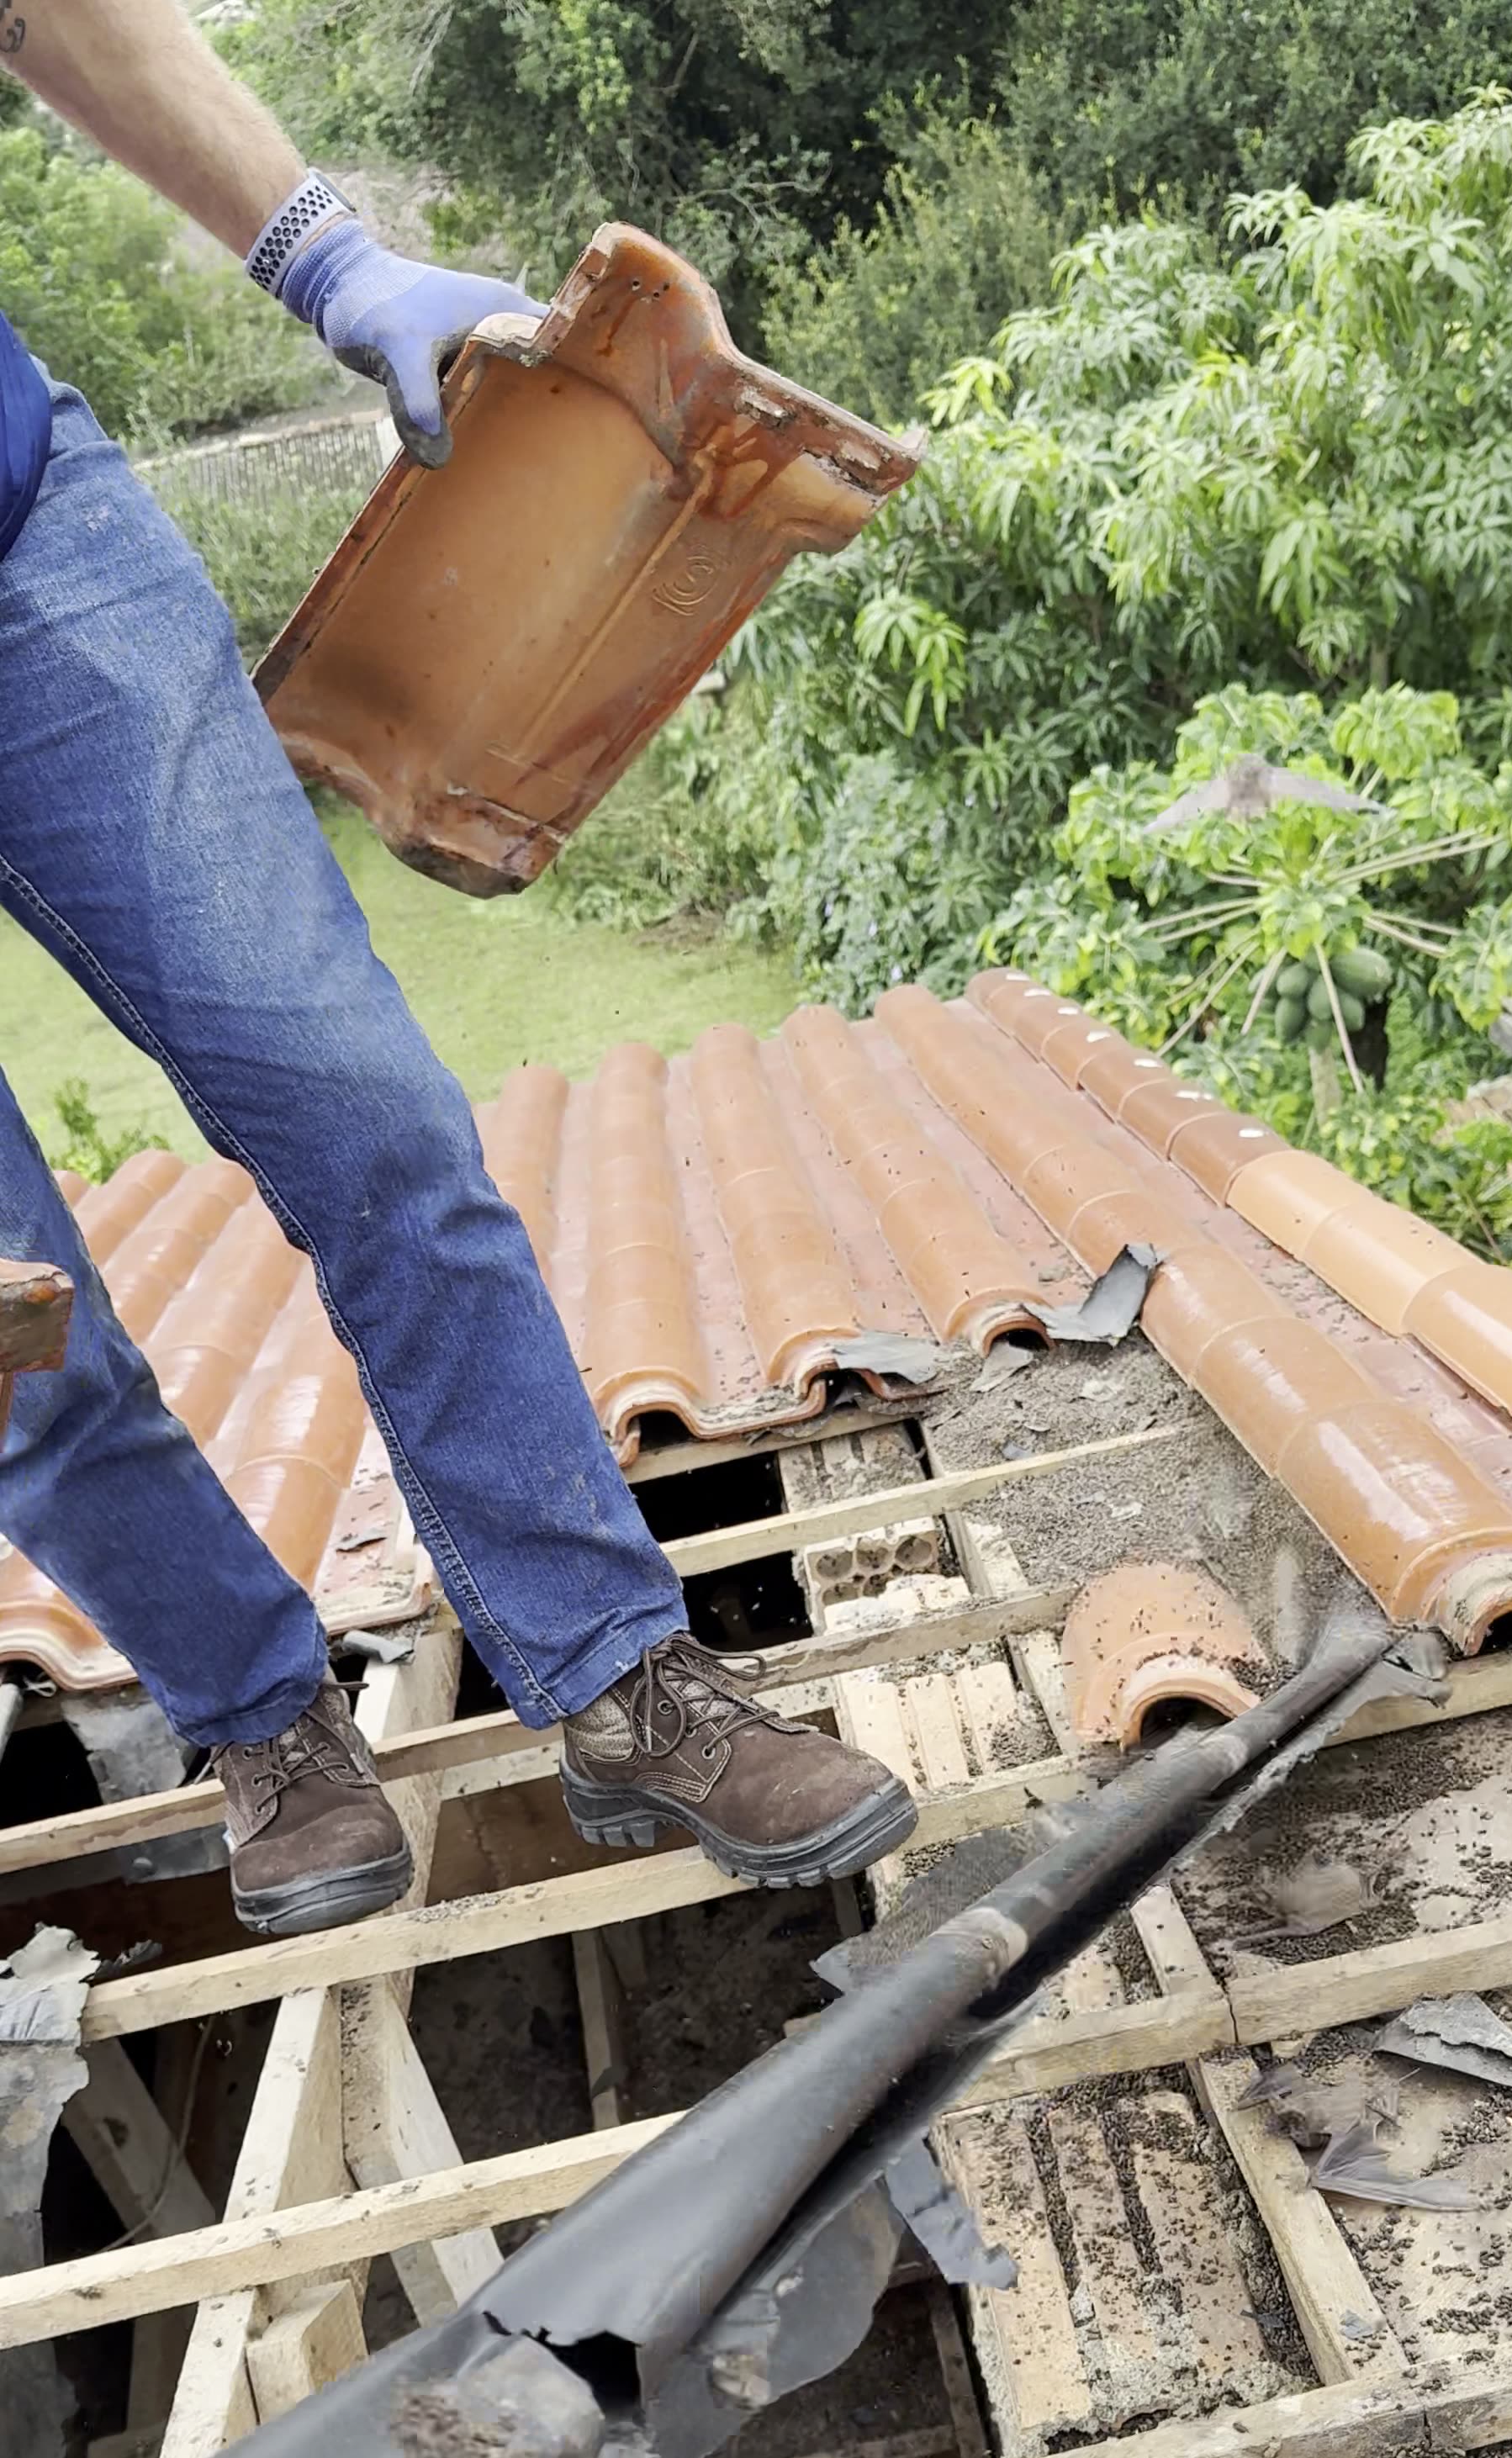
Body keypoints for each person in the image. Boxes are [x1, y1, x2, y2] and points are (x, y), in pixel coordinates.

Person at [0, 0, 916, 1933]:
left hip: (24, 557)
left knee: (362, 1108)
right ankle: (261, 1724)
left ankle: (613, 1672)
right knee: (4, 1333)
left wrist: (328, 256)